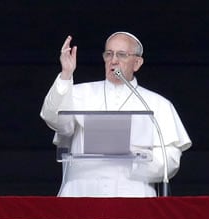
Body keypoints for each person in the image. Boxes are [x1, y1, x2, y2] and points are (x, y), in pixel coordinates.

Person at [41, 31, 191, 197]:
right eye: (109, 54)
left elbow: (170, 160)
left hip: (133, 194)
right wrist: (66, 75)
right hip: (82, 193)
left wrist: (133, 157)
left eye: (122, 55)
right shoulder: (78, 93)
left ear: (137, 63)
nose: (113, 61)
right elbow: (54, 119)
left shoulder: (157, 104)